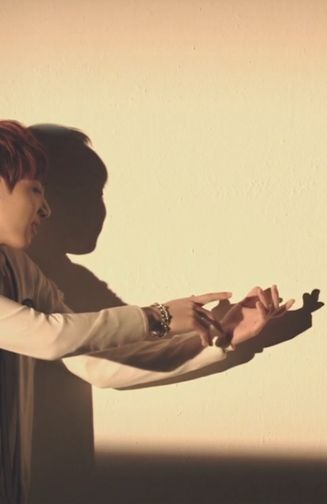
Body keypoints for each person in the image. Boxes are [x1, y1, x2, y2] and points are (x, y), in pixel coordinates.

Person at [0, 120, 295, 504]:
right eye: (35, 189)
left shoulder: (20, 270)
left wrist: (221, 335)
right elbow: (51, 336)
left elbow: (96, 363)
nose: (48, 207)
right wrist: (160, 316)